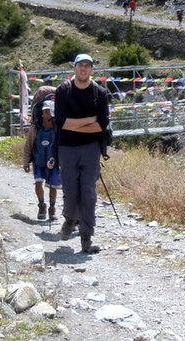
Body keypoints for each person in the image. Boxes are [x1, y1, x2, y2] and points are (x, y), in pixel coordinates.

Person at [54, 54, 110, 254]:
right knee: (70, 190)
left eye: (88, 66)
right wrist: (89, 121)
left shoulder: (100, 93)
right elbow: (61, 122)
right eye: (80, 66)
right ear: (74, 68)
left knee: (88, 193)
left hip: (90, 149)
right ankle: (70, 218)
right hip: (67, 148)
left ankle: (86, 237)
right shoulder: (63, 90)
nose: (84, 69)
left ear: (92, 70)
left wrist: (74, 125)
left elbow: (101, 125)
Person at [23, 86, 60, 221]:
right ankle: (41, 206)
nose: (47, 114)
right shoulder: (35, 128)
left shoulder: (58, 129)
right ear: (42, 113)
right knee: (38, 182)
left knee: (53, 186)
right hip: (38, 161)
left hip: (54, 161)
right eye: (45, 111)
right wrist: (26, 161)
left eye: (49, 111)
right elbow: (28, 145)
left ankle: (52, 208)